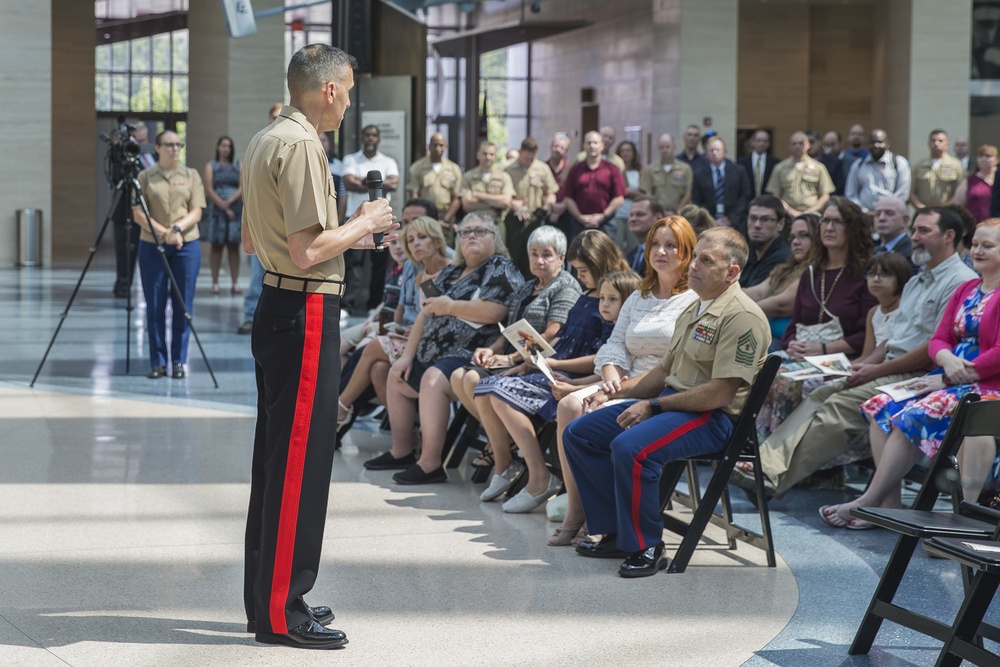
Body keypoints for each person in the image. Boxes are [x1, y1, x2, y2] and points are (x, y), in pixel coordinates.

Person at [240, 44, 396, 650]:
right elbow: (306, 252)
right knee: (300, 464)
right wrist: (367, 223)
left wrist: (345, 238)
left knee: (276, 462)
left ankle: (268, 601)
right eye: (349, 90)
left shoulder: (265, 138)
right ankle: (284, 611)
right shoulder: (304, 144)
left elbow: (262, 242)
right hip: (305, 309)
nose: (350, 102)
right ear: (327, 89)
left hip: (277, 303)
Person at [562, 227, 770, 577]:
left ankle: (646, 545)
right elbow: (663, 370)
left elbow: (720, 393)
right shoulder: (696, 306)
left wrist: (654, 406)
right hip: (675, 403)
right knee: (579, 433)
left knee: (631, 447)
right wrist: (617, 391)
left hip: (711, 416)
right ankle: (616, 531)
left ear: (732, 272)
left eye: (707, 260)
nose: (694, 266)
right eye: (697, 257)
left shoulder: (741, 316)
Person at [737, 206, 976, 499]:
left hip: (919, 374)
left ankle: (770, 479)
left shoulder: (960, 281)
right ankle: (766, 463)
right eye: (914, 230)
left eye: (923, 231)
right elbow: (892, 339)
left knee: (837, 407)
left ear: (949, 235)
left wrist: (875, 369)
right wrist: (863, 364)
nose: (914, 237)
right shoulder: (916, 280)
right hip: (887, 365)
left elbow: (932, 348)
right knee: (821, 392)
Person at [820, 219, 1000, 528]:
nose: (978, 251)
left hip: (985, 384)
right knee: (882, 405)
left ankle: (867, 499)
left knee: (914, 414)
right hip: (949, 375)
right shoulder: (967, 289)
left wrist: (953, 375)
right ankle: (889, 504)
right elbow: (939, 338)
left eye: (988, 245)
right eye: (976, 245)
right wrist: (945, 360)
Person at [549, 216, 699, 546]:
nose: (660, 251)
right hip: (620, 376)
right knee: (569, 405)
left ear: (687, 252)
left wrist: (622, 387)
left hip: (660, 385)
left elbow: (676, 361)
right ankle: (578, 509)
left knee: (588, 413)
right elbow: (614, 344)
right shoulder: (639, 296)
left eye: (670, 245)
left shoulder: (691, 299)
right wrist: (612, 377)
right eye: (654, 244)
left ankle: (604, 518)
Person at [472, 230, 627, 513]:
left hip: (569, 374)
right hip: (553, 367)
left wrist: (555, 366)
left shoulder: (610, 298)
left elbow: (604, 355)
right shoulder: (587, 294)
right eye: (577, 270)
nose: (580, 276)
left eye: (584, 270)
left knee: (498, 393)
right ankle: (505, 466)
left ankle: (539, 476)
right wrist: (523, 364)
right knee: (485, 388)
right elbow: (562, 337)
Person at [377, 214, 523, 484]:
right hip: (433, 352)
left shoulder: (499, 267)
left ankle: (430, 464)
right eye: (465, 232)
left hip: (471, 353)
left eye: (480, 231)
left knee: (433, 379)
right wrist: (407, 355)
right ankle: (401, 452)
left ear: (495, 238)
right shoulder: (454, 272)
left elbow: (494, 311)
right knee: (396, 374)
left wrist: (450, 306)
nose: (471, 236)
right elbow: (425, 313)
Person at [449, 225, 580, 425]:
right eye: (534, 254)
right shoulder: (528, 287)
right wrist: (491, 351)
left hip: (536, 363)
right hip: (514, 358)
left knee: (472, 379)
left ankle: (499, 446)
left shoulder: (565, 287)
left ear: (561, 258)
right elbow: (511, 330)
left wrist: (511, 358)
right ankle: (500, 437)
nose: (539, 261)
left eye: (547, 255)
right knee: (458, 376)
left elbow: (552, 334)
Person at [132, 130, 205, 380]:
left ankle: (179, 361)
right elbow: (138, 213)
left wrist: (176, 229)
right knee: (155, 305)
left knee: (182, 304)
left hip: (186, 246)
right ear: (158, 147)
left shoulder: (191, 175)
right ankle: (158, 361)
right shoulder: (144, 176)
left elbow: (196, 211)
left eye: (178, 144)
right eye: (169, 144)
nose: (175, 149)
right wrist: (164, 232)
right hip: (152, 245)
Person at [341, 124, 400, 313]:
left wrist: (362, 181)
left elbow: (394, 184)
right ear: (361, 138)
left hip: (381, 219)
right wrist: (375, 183)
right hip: (355, 217)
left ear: (379, 139)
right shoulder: (351, 159)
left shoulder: (388, 161)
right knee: (353, 264)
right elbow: (349, 183)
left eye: (374, 135)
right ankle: (347, 306)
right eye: (367, 135)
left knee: (379, 263)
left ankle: (374, 305)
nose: (370, 138)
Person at [237, 103, 284, 335]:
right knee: (257, 274)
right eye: (274, 117)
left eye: (281, 116)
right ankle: (250, 316)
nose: (277, 120)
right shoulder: (260, 145)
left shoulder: (292, 146)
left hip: (285, 227)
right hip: (261, 225)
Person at [744, 212, 818, 342]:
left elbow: (781, 305)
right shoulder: (786, 268)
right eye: (792, 237)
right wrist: (724, 296)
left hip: (790, 343)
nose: (795, 242)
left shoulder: (816, 271)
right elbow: (759, 292)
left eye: (804, 236)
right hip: (765, 334)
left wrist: (737, 312)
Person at [559, 131, 627, 242]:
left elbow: (619, 198)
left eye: (595, 143)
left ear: (602, 146)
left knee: (606, 258)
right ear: (584, 146)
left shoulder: (612, 169)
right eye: (589, 143)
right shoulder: (575, 170)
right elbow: (568, 198)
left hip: (606, 224)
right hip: (579, 224)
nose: (592, 146)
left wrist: (602, 216)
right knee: (578, 258)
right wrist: (580, 217)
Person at [202, 135, 243, 295]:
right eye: (223, 146)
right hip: (216, 210)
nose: (226, 149)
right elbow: (208, 189)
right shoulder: (211, 166)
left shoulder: (238, 165)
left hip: (235, 210)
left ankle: (235, 283)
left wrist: (229, 202)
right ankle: (215, 283)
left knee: (234, 247)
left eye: (229, 146)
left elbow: (242, 187)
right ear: (218, 148)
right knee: (216, 247)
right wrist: (223, 205)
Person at [691, 136, 753, 234]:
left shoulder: (739, 171)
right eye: (711, 150)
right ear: (706, 154)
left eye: (718, 150)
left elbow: (746, 195)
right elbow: (697, 200)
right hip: (709, 224)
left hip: (736, 222)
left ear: (725, 152)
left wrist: (731, 219)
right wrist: (712, 219)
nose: (715, 153)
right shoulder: (699, 175)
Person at [766, 131, 835, 216]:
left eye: (801, 143)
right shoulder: (780, 168)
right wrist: (790, 211)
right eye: (794, 144)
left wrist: (809, 212)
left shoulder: (819, 168)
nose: (797, 146)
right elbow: (775, 195)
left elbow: (825, 196)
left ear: (807, 145)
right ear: (789, 146)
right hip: (787, 215)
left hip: (812, 214)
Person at [408, 133, 464, 234]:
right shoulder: (417, 168)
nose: (438, 148)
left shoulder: (454, 169)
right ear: (429, 146)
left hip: (446, 217)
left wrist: (445, 220)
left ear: (445, 147)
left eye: (441, 145)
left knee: (445, 248)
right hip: (425, 216)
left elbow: (457, 199)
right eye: (434, 145)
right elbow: (414, 196)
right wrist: (423, 217)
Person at [845, 129, 911, 213]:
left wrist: (883, 212)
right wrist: (864, 211)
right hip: (864, 218)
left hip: (891, 216)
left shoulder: (899, 163)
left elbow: (902, 194)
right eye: (872, 142)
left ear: (887, 143)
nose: (876, 145)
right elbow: (851, 194)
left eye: (880, 142)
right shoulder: (858, 165)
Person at [739, 195, 790, 288]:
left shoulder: (783, 258)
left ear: (780, 224)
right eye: (753, 218)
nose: (757, 225)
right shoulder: (748, 253)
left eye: (765, 219)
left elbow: (757, 296)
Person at [910, 129, 966, 209]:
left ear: (947, 144)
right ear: (928, 144)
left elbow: (960, 192)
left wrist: (945, 208)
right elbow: (911, 191)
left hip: (947, 212)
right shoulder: (919, 165)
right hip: (923, 212)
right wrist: (920, 207)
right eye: (933, 141)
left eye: (940, 141)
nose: (936, 143)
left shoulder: (956, 166)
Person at [638, 133, 692, 215]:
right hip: (657, 214)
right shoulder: (650, 169)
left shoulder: (685, 169)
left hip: (679, 214)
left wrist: (677, 211)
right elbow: (647, 193)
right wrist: (658, 211)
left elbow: (688, 193)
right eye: (661, 148)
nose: (664, 150)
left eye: (667, 147)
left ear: (673, 147)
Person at [953, 144, 998, 222]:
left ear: (997, 160)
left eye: (988, 156)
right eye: (981, 156)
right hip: (975, 226)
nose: (984, 159)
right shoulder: (969, 180)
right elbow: (957, 206)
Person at [624, 196, 665, 274]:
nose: (633, 219)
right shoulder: (631, 255)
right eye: (631, 215)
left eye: (640, 214)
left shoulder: (663, 254)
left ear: (658, 218)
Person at [738, 129, 779, 198]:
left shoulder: (775, 163)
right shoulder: (742, 162)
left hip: (768, 202)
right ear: (752, 142)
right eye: (759, 140)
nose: (761, 144)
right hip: (747, 203)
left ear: (769, 144)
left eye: (765, 141)